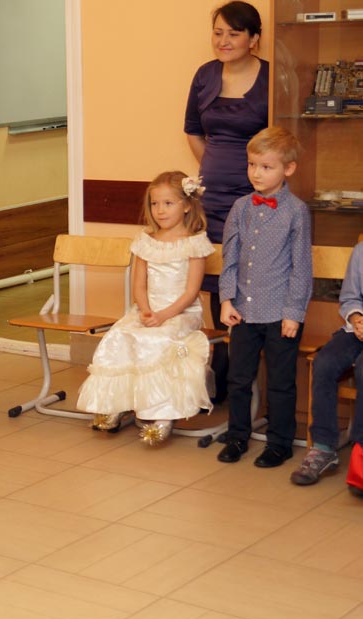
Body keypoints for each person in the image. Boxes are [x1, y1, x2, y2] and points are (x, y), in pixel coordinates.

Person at [77, 172, 215, 445]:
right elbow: (139, 286)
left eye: (168, 203)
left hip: (180, 312)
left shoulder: (194, 242)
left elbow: (191, 292)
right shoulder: (145, 241)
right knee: (119, 335)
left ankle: (162, 413)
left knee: (158, 340)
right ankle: (117, 403)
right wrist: (146, 311)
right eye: (154, 204)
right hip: (147, 309)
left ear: (187, 205)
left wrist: (163, 315)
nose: (160, 210)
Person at [184, 1, 268, 405]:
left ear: (254, 38)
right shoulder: (205, 75)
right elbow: (193, 131)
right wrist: (212, 172)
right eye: (218, 33)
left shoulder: (272, 77)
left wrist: (250, 177)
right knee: (216, 282)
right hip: (211, 200)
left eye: (233, 33)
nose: (224, 41)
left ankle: (245, 379)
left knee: (248, 283)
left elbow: (283, 140)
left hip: (256, 200)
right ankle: (219, 375)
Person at [217, 126, 312, 467]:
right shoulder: (240, 207)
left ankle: (280, 443)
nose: (257, 173)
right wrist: (226, 300)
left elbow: (301, 267)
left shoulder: (296, 211)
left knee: (280, 382)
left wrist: (293, 313)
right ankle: (237, 436)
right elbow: (229, 258)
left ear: (288, 168)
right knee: (238, 379)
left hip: (280, 313)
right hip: (243, 310)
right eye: (252, 165)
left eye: (266, 167)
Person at [292, 243, 363, 485]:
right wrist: (357, 318)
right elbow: (350, 297)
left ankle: (360, 451)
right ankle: (323, 447)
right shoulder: (361, 250)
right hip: (357, 330)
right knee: (324, 363)